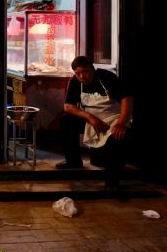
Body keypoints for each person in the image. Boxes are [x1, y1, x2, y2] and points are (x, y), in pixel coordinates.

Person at [56, 56, 134, 189]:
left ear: (92, 69)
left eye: (85, 72)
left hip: (113, 118)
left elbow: (127, 98)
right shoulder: (75, 81)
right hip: (92, 119)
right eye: (78, 73)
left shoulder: (107, 77)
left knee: (114, 139)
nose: (82, 76)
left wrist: (121, 124)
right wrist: (90, 117)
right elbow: (68, 106)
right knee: (66, 121)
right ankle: (73, 161)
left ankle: (112, 181)